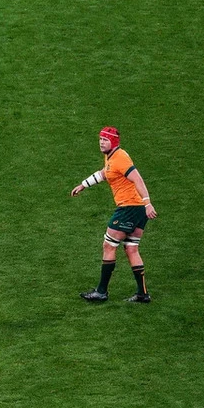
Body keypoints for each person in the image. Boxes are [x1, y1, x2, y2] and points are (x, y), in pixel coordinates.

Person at [71, 126, 158, 303]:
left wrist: (148, 203)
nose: (101, 142)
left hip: (130, 208)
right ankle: (142, 294)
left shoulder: (121, 158)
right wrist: (83, 185)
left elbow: (138, 179)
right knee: (131, 248)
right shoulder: (111, 157)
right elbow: (105, 173)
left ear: (114, 141)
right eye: (100, 139)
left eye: (105, 139)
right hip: (136, 209)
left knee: (109, 245)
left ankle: (101, 292)